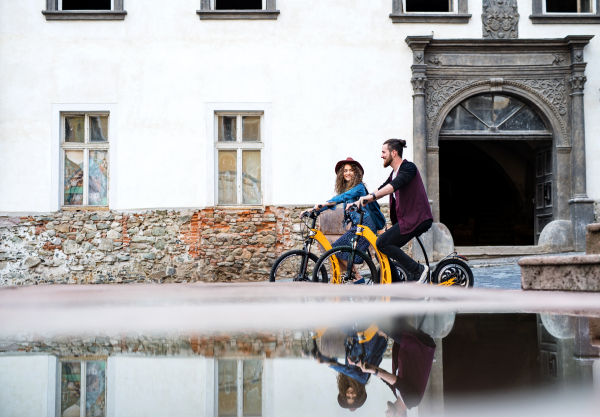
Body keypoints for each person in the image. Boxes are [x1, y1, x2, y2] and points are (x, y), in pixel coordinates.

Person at [350, 139, 433, 283]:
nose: (381, 156)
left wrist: (371, 197)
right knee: (380, 249)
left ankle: (417, 270)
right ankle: (396, 285)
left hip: (418, 218)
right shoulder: (394, 173)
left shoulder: (408, 167)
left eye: (384, 152)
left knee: (382, 243)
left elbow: (394, 186)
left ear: (393, 153)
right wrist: (361, 200)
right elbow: (382, 188)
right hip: (407, 220)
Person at [307, 157, 382, 283]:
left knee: (337, 249)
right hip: (357, 225)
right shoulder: (346, 189)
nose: (348, 173)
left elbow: (342, 197)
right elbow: (334, 202)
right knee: (336, 250)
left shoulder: (359, 188)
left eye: (351, 170)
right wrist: (314, 210)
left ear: (356, 173)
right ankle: (350, 279)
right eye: (345, 170)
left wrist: (323, 203)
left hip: (366, 224)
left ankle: (357, 277)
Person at [354, 320, 436, 416]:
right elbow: (395, 380)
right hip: (420, 346)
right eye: (388, 416)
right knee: (382, 322)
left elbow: (385, 378)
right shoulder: (413, 401)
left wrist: (363, 366)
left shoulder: (397, 394)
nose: (386, 413)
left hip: (408, 346)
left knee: (391, 319)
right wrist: (373, 370)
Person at [314, 327, 389, 411]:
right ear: (359, 394)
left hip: (357, 340)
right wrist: (327, 363)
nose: (351, 394)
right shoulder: (362, 379)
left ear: (344, 393)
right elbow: (346, 370)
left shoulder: (347, 378)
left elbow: (340, 363)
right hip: (367, 343)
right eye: (354, 397)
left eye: (348, 397)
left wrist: (317, 357)